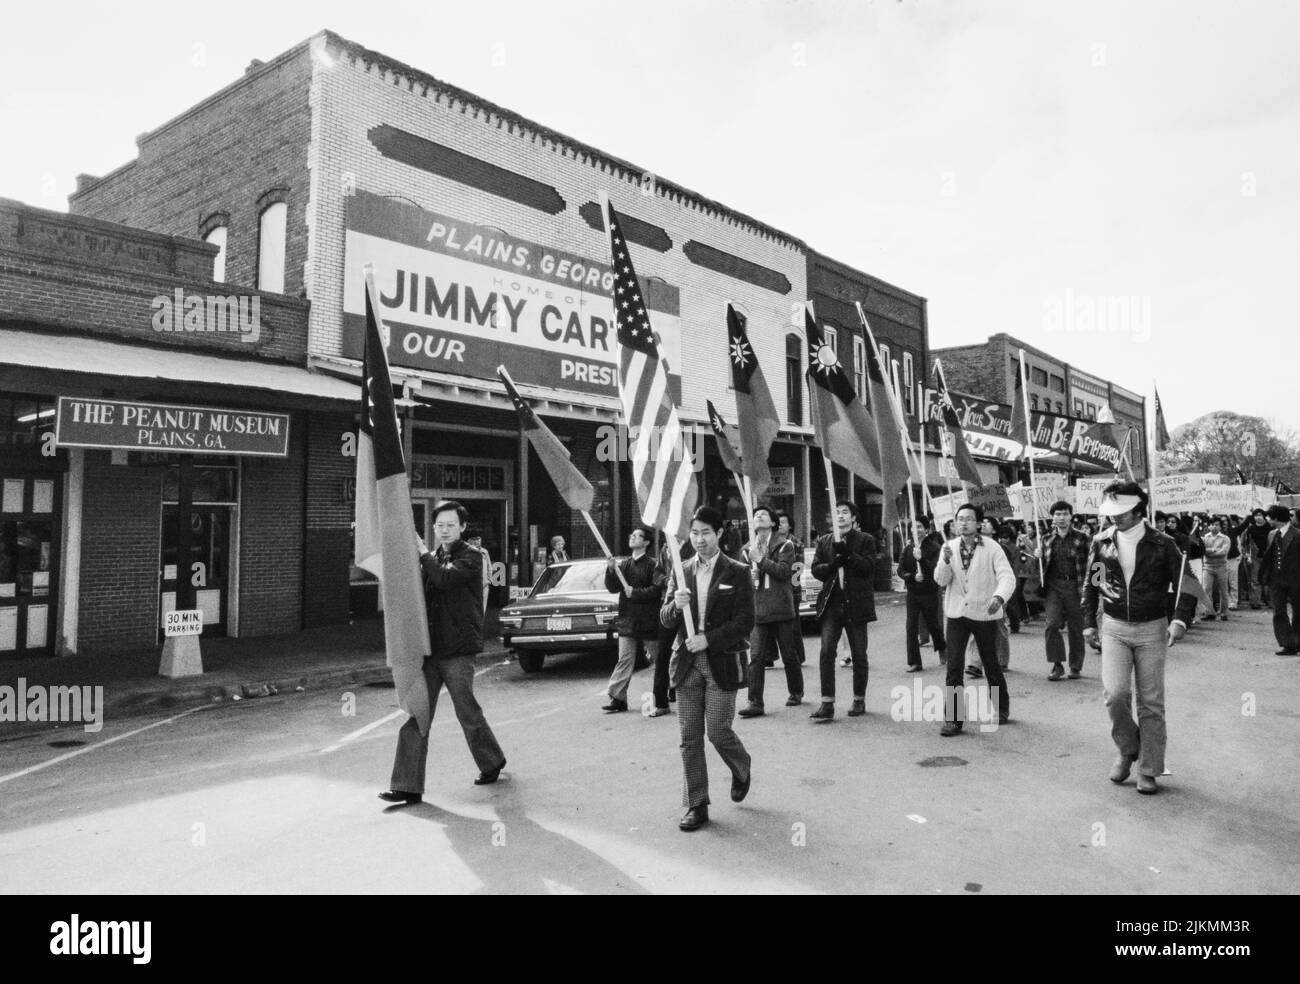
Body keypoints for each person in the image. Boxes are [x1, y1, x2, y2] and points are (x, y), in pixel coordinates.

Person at [380, 500, 507, 805]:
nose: (445, 530)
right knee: (417, 714)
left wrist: (422, 553)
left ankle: (491, 761)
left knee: (467, 711)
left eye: (451, 525)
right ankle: (406, 785)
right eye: (439, 525)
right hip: (430, 651)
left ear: (463, 527)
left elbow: (445, 579)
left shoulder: (472, 557)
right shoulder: (433, 557)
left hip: (458, 650)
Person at [1084, 482, 1194, 794]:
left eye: (1122, 512)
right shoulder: (1102, 541)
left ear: (1138, 510)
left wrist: (1181, 620)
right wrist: (1088, 622)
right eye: (1111, 512)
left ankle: (1149, 768)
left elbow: (1187, 583)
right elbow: (1092, 584)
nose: (1115, 518)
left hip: (1152, 628)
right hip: (1114, 626)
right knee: (1115, 695)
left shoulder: (1164, 543)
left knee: (1151, 702)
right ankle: (1127, 749)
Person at [660, 506, 755, 832]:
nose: (699, 540)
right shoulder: (680, 570)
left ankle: (741, 766)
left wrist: (708, 640)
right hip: (686, 663)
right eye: (695, 533)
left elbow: (745, 622)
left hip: (720, 661)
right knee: (689, 737)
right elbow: (665, 618)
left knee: (717, 731)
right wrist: (677, 605)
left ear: (719, 534)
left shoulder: (737, 572)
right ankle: (696, 804)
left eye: (706, 533)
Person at [933, 503, 1016, 736]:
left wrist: (998, 598)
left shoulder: (992, 547)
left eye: (969, 519)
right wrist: (945, 561)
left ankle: (1001, 708)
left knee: (991, 664)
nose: (963, 523)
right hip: (957, 613)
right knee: (954, 666)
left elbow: (1007, 577)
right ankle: (953, 719)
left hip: (984, 613)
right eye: (960, 519)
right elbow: (941, 580)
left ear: (978, 523)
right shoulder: (948, 547)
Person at [809, 500, 877, 720]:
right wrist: (831, 565)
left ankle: (859, 699)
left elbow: (867, 569)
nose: (840, 516)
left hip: (856, 604)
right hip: (832, 604)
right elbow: (816, 570)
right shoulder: (825, 540)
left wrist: (848, 555)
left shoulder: (866, 540)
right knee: (827, 651)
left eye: (845, 512)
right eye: (836, 512)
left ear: (854, 517)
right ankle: (827, 703)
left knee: (859, 654)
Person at [739, 505, 803, 717]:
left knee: (788, 654)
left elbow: (784, 572)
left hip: (780, 607)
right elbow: (740, 578)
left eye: (763, 514)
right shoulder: (746, 549)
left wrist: (761, 560)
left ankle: (796, 691)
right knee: (756, 656)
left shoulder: (785, 545)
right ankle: (755, 702)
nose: (758, 516)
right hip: (758, 609)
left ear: (773, 523)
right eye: (756, 515)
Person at [601, 524, 663, 713]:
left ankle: (667, 690)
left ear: (646, 542)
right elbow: (612, 588)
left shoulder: (653, 565)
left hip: (648, 619)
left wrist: (634, 593)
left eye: (637, 536)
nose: (632, 537)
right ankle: (618, 698)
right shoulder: (624, 565)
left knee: (659, 658)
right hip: (627, 618)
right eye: (632, 534)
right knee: (624, 658)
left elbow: (656, 589)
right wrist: (611, 570)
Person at [1035, 500, 1091, 681]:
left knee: (1076, 628)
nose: (1061, 518)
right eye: (1057, 514)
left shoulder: (1083, 538)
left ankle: (1075, 666)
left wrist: (1096, 588)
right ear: (1052, 517)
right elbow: (1042, 568)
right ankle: (1057, 664)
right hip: (1053, 587)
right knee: (1051, 624)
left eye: (1065, 514)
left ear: (1071, 516)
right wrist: (1038, 557)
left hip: (1076, 587)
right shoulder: (1045, 539)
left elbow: (1096, 563)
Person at [898, 516, 946, 672]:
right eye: (914, 527)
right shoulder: (908, 548)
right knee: (911, 627)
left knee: (933, 625)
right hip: (913, 593)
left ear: (927, 529)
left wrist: (922, 560)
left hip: (929, 593)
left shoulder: (935, 547)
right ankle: (915, 662)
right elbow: (900, 570)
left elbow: (935, 570)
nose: (916, 530)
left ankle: (942, 650)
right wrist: (911, 577)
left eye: (919, 527)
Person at [1260, 504, 1300, 655]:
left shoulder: (1297, 534)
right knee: (1278, 611)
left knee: (1298, 611)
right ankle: (1288, 644)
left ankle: (1298, 641)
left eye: (1269, 516)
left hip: (1296, 580)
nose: (1267, 519)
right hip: (1276, 579)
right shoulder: (1272, 534)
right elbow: (1268, 556)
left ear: (1276, 518)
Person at [1234, 509, 1273, 609]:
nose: (1258, 517)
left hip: (1268, 556)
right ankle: (1255, 602)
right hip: (1255, 557)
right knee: (1255, 579)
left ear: (1264, 516)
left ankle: (1270, 601)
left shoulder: (1270, 527)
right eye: (1256, 515)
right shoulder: (1250, 529)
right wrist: (1246, 554)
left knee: (1269, 578)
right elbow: (1244, 543)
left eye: (1260, 515)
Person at [1198, 518, 1231, 621]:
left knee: (1223, 591)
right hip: (1208, 567)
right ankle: (1209, 612)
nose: (1214, 527)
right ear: (1209, 526)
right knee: (1206, 589)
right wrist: (1213, 550)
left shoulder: (1225, 538)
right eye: (1212, 524)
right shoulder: (1204, 538)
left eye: (1217, 525)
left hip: (1221, 566)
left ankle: (1223, 612)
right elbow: (1202, 551)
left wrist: (1210, 553)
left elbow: (1223, 552)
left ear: (1220, 527)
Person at [465, 528, 492, 613]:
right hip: (470, 586)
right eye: (474, 539)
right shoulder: (464, 551)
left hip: (484, 585)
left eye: (478, 538)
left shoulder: (484, 552)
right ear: (469, 540)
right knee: (471, 609)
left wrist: (488, 580)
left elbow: (489, 567)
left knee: (482, 608)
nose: (476, 541)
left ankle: (480, 625)